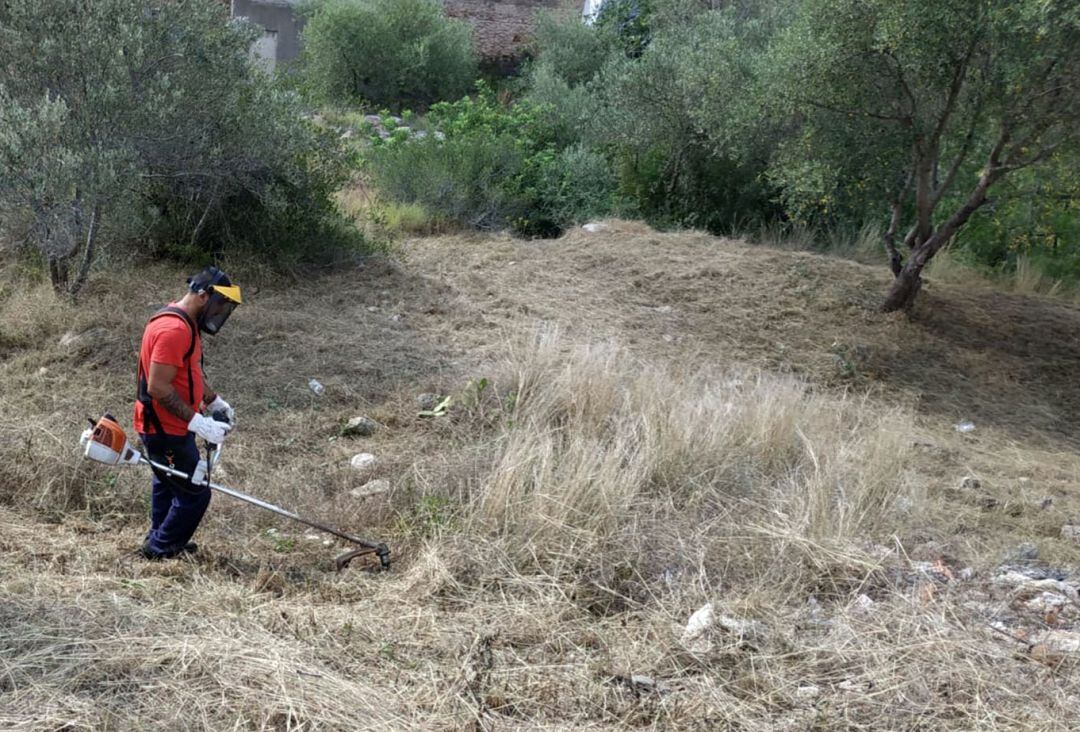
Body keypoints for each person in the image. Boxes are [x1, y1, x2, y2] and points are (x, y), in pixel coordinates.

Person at [134, 266, 242, 559]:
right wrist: (199, 423)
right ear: (205, 296)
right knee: (195, 493)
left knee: (167, 482)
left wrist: (214, 401)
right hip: (163, 428)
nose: (221, 311)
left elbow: (190, 370)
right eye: (221, 303)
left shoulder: (186, 323)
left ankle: (158, 537)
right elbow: (157, 387)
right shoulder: (173, 329)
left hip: (172, 427)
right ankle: (161, 548)